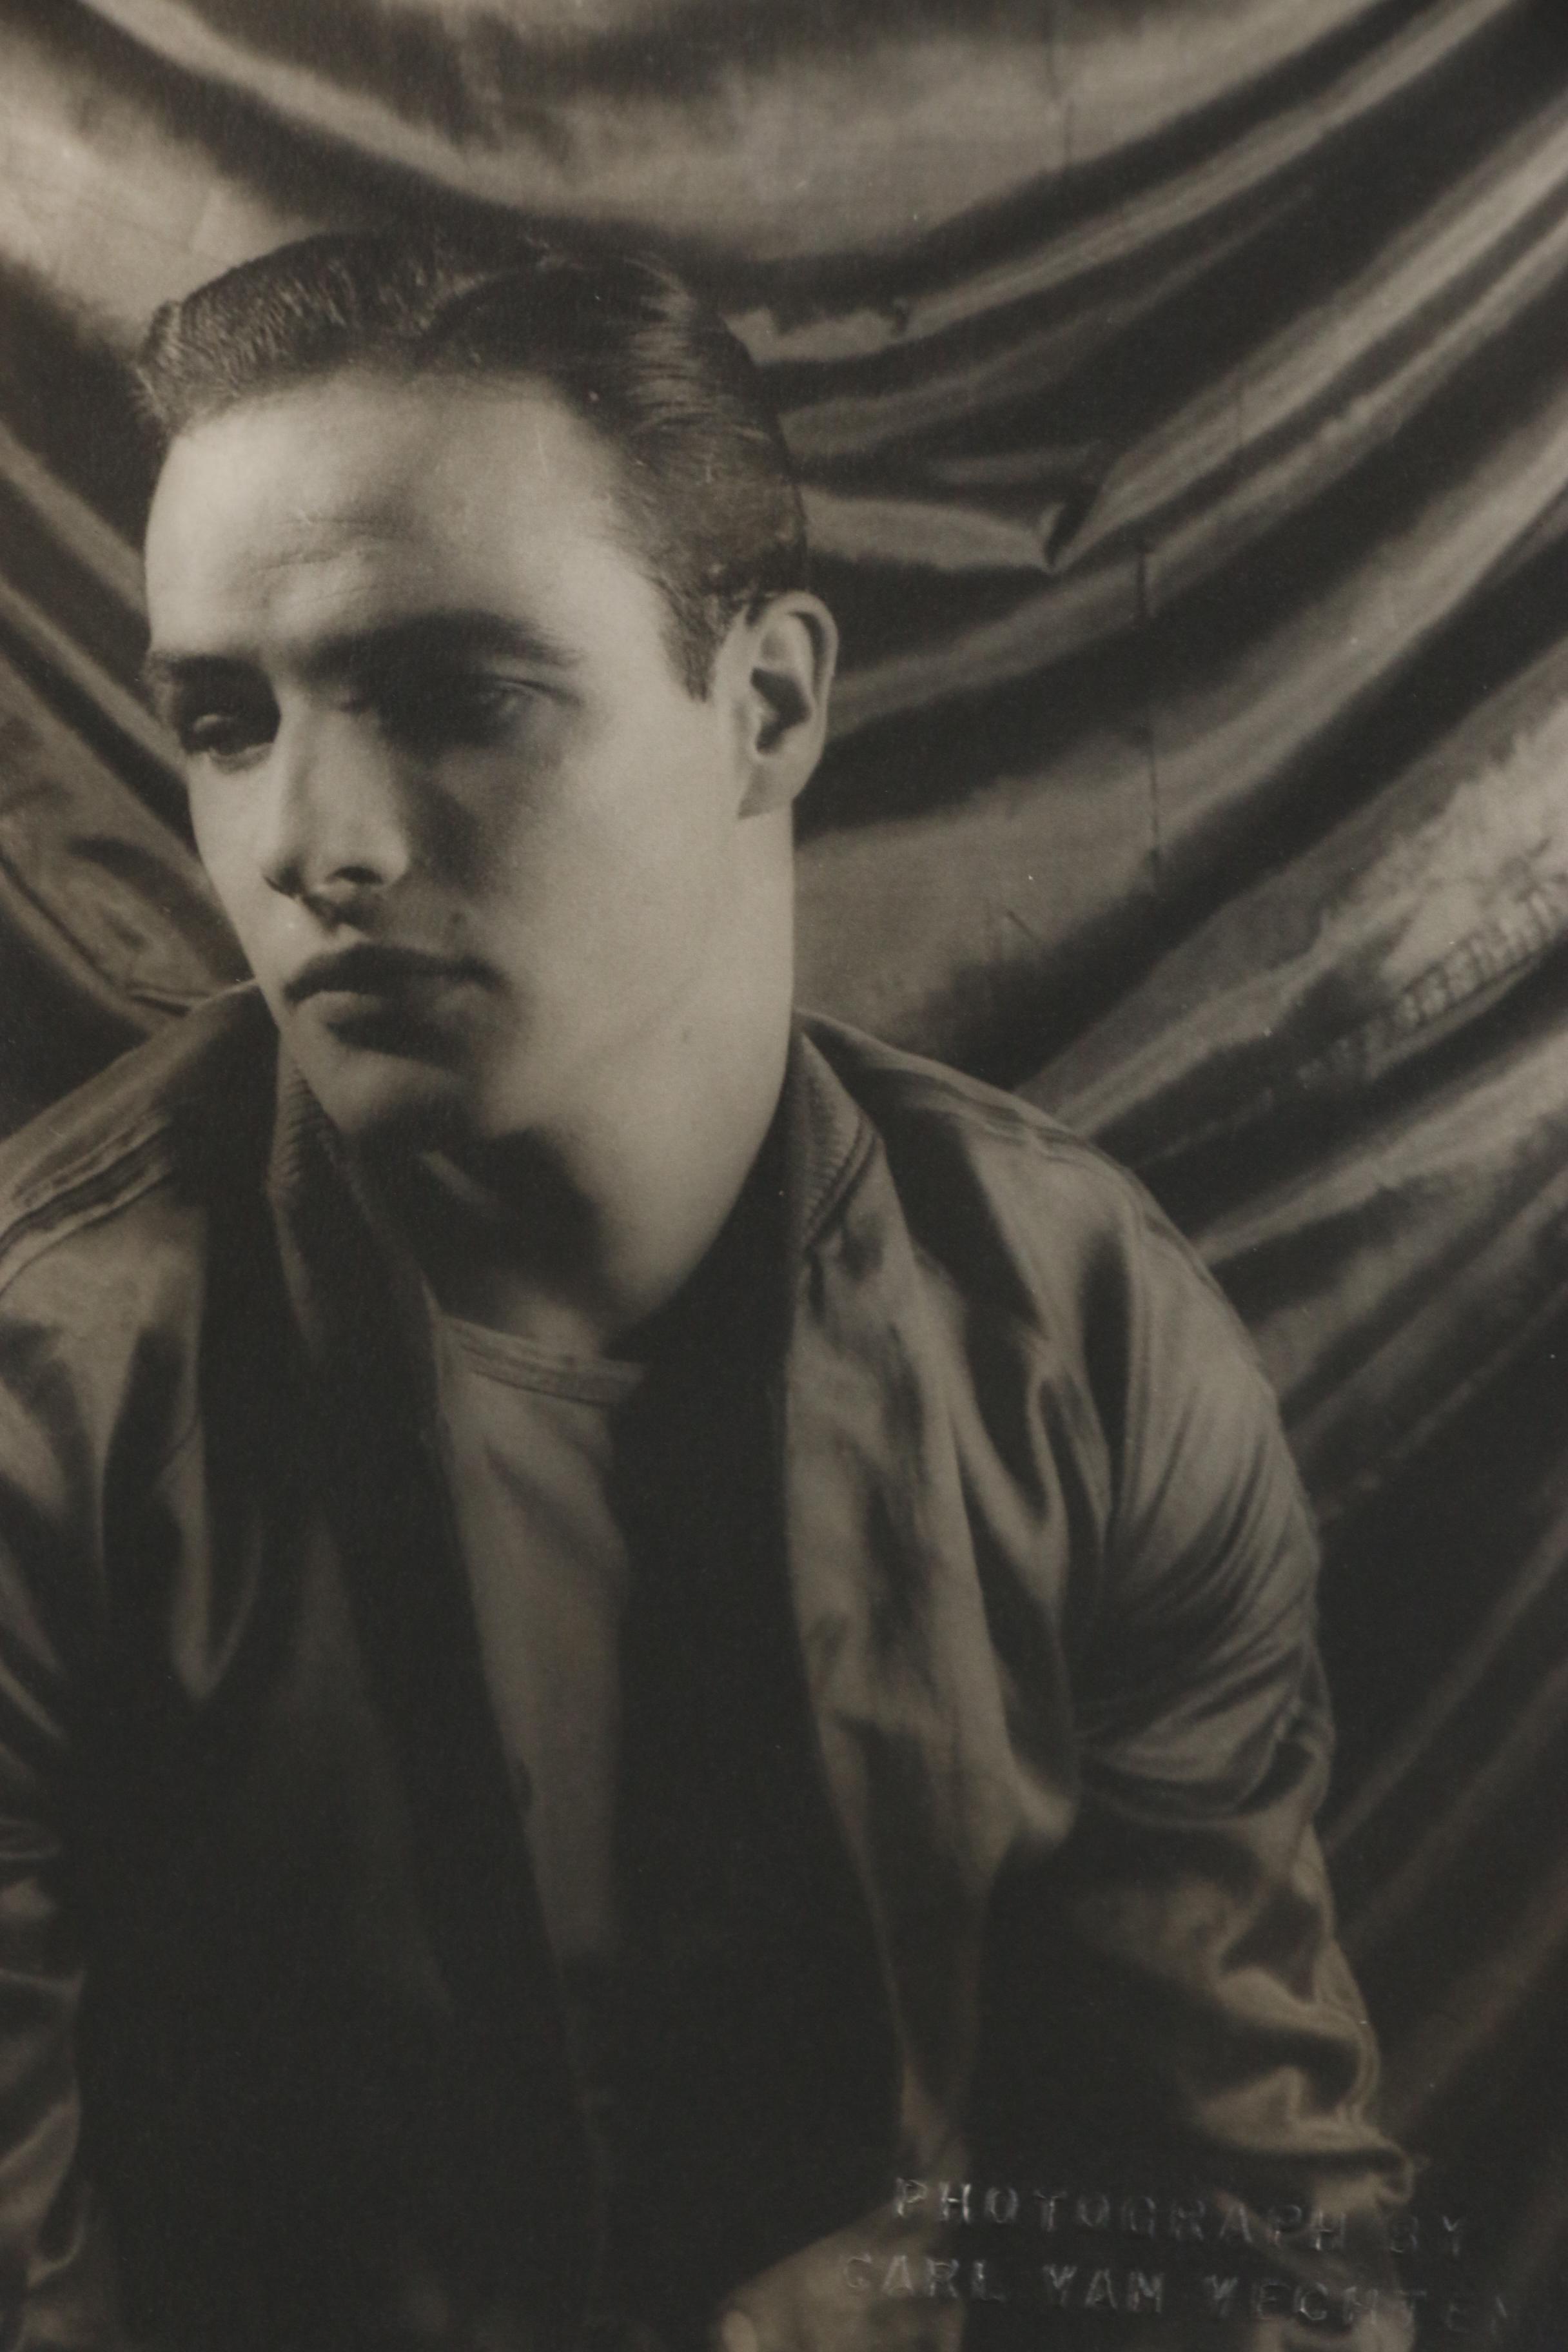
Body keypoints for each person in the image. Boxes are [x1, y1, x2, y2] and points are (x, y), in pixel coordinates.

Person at [0, 228, 1408, 2352]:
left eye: (457, 695)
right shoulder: (45, 1396)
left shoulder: (1089, 1344)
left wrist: (970, 2283)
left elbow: (1276, 2259)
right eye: (221, 720)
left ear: (767, 705)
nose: (312, 840)